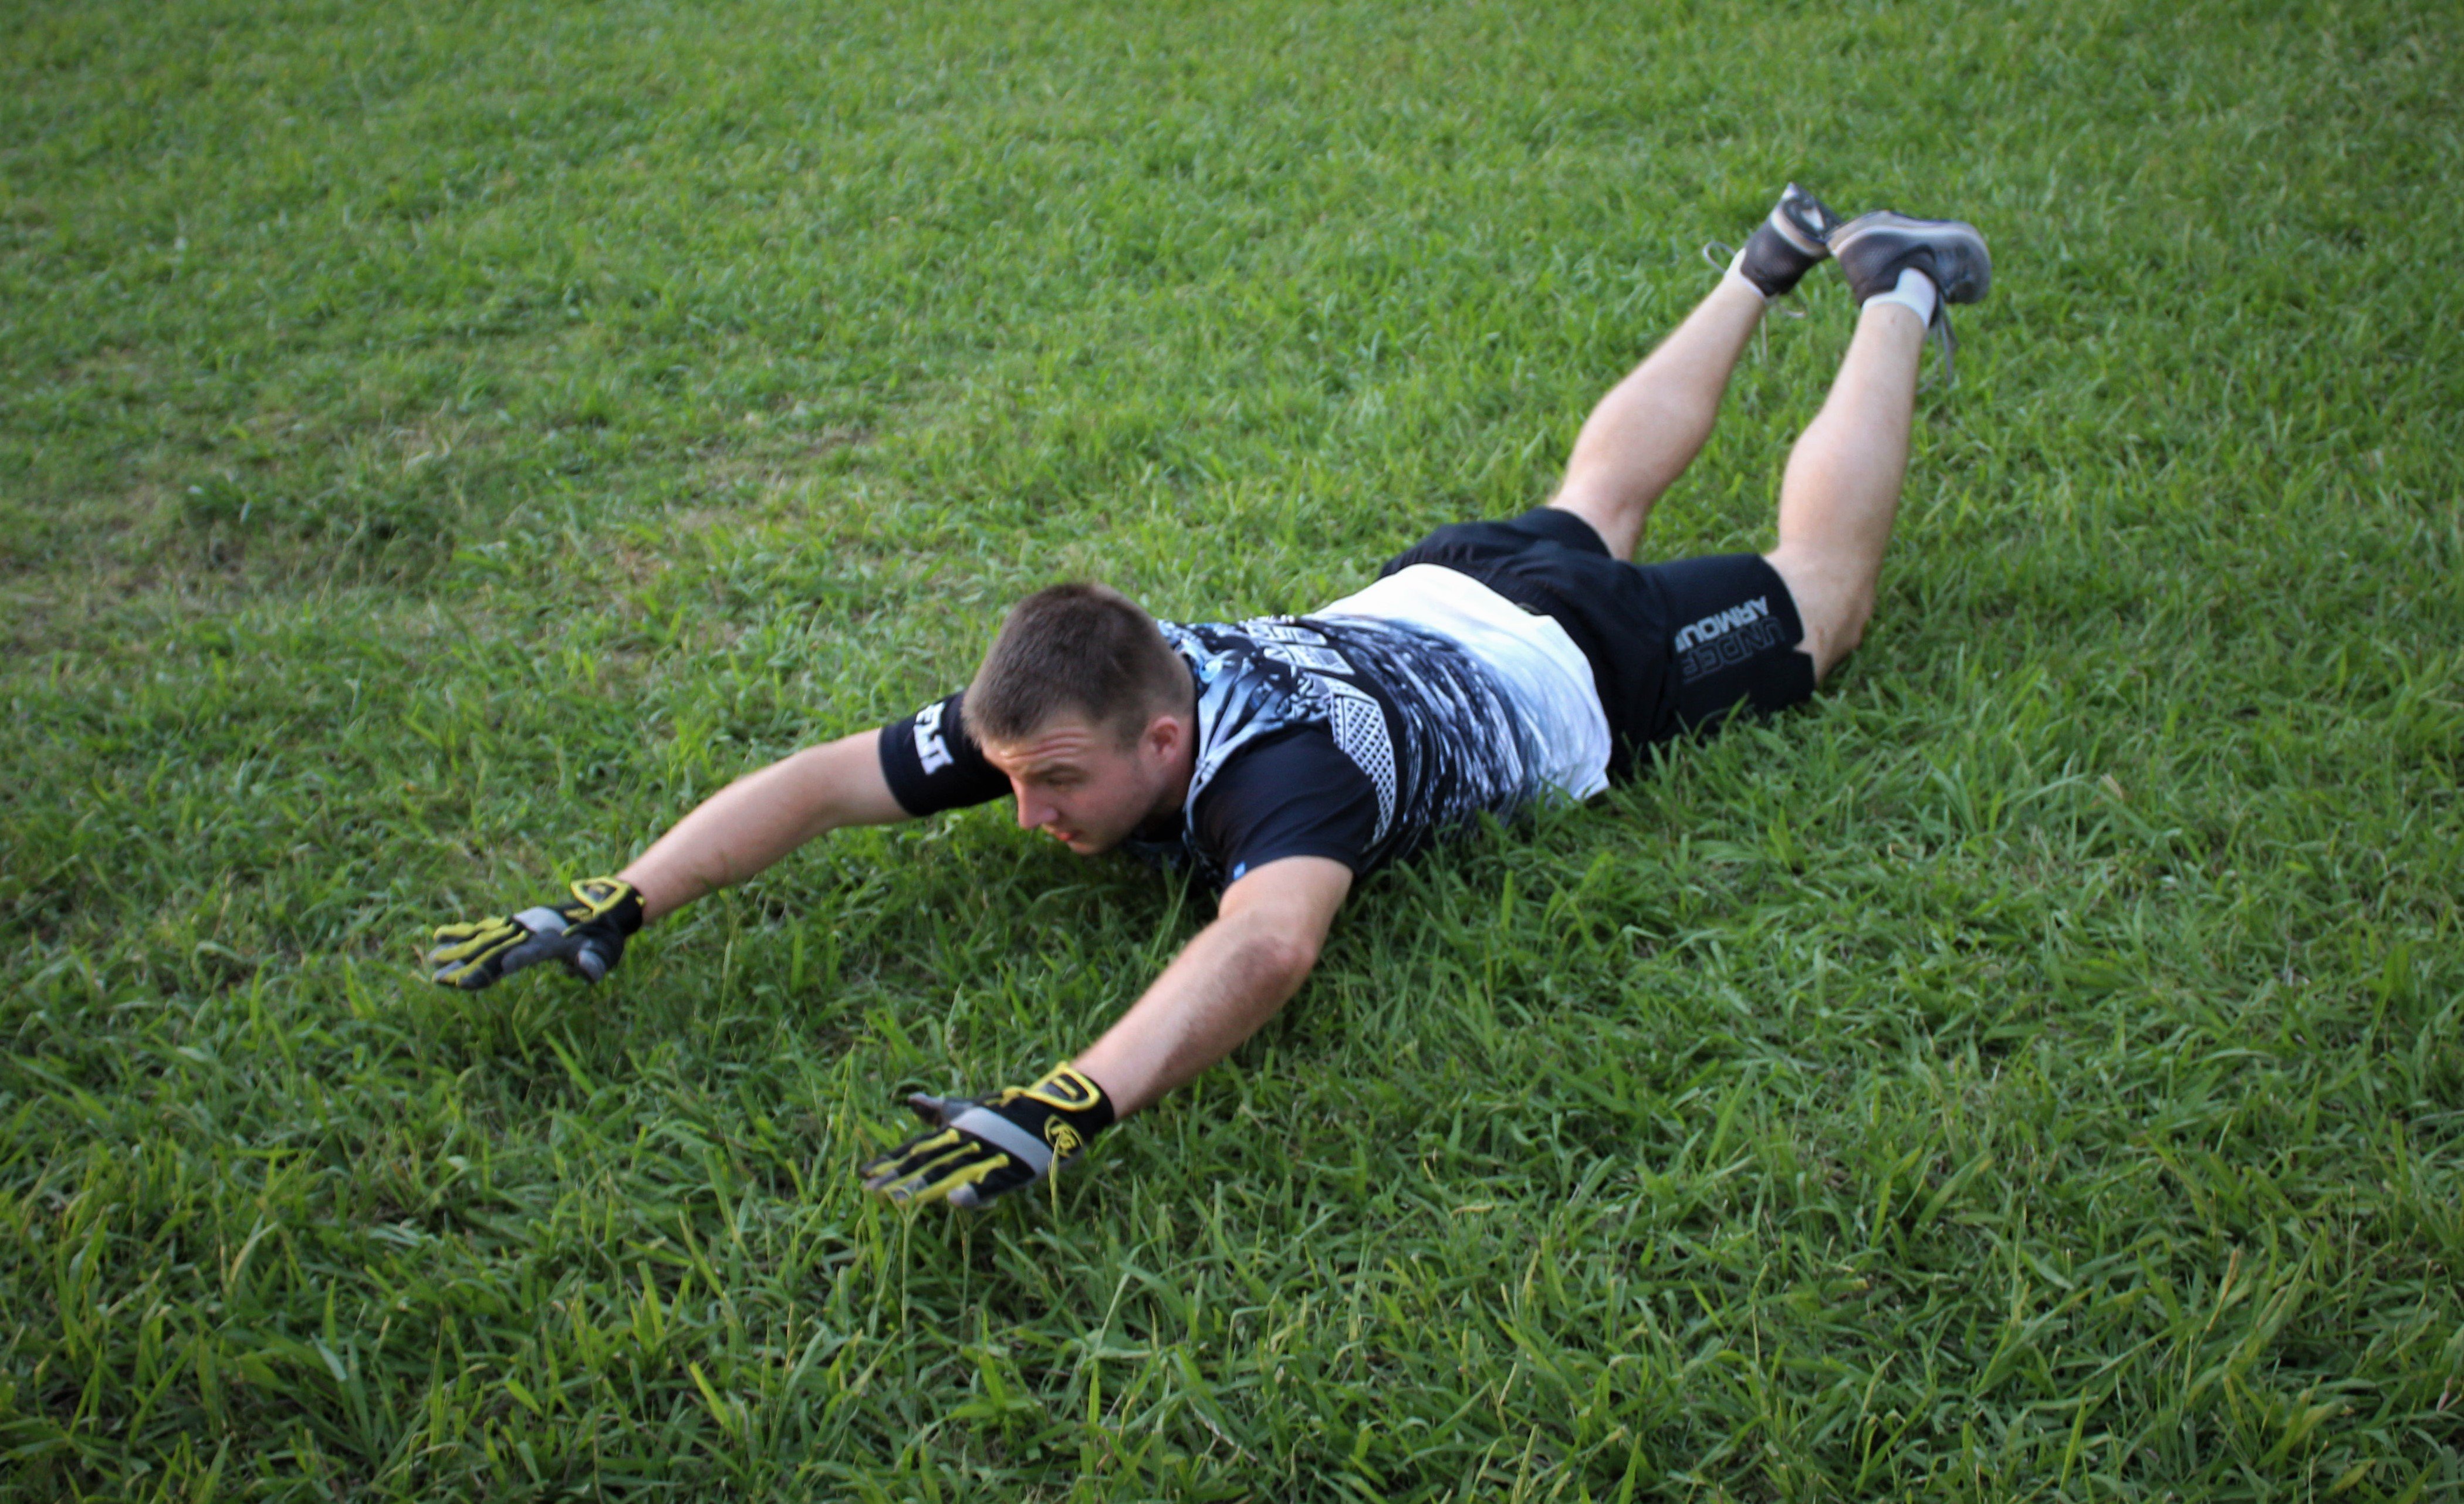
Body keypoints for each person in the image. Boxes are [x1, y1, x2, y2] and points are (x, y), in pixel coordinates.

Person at [426, 187, 1990, 1209]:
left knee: (1817, 597)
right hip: (1432, 590)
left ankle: (1892, 287)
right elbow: (831, 778)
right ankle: (1758, 262)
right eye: (1013, 777)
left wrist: (1071, 1100)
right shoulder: (1076, 697)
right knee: (1588, 489)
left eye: (1056, 788)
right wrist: (620, 896)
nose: (1026, 813)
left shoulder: (1284, 781)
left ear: (1166, 745)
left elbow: (1270, 938)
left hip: (1570, 657)